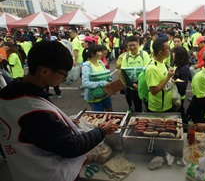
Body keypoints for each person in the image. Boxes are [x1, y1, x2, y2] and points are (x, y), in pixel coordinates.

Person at [0, 41, 119, 181]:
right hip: (50, 174)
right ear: (44, 71)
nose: (64, 78)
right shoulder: (34, 109)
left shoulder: (9, 94)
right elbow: (73, 147)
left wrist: (61, 123)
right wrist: (102, 131)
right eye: (63, 74)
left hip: (23, 170)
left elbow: (34, 132)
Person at [121, 36, 150, 112]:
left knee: (148, 106)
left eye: (134, 45)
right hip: (133, 87)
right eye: (130, 45)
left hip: (144, 86)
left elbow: (147, 69)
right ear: (127, 46)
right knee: (137, 107)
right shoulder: (125, 57)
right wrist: (131, 84)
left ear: (138, 44)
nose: (132, 47)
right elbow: (123, 71)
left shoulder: (144, 54)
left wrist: (140, 84)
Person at [145, 38, 174, 112]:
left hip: (166, 104)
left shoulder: (162, 61)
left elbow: (161, 80)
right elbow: (154, 91)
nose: (169, 50)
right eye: (168, 48)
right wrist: (168, 77)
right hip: (158, 108)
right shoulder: (152, 68)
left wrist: (170, 80)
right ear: (160, 52)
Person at [82, 44, 113, 112]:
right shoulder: (87, 66)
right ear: (92, 53)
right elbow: (85, 83)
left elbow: (105, 76)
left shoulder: (100, 62)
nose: (101, 54)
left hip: (105, 94)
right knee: (99, 116)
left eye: (101, 51)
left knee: (110, 112)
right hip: (94, 97)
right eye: (99, 52)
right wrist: (102, 83)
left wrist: (109, 79)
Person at [172, 46, 190, 121]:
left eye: (174, 55)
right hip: (174, 94)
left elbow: (184, 84)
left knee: (179, 111)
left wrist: (174, 80)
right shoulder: (175, 64)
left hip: (180, 95)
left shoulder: (185, 68)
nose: (172, 56)